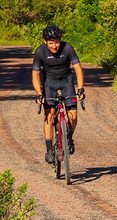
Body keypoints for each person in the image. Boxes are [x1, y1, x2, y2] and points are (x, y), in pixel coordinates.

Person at [31, 23, 84, 164]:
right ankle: (49, 149)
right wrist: (39, 93)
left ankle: (69, 138)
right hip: (49, 83)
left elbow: (78, 68)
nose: (55, 46)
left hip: (66, 82)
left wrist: (80, 89)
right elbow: (35, 74)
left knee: (73, 115)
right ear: (45, 42)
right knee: (49, 115)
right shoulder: (40, 51)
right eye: (51, 43)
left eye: (57, 42)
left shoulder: (68, 48)